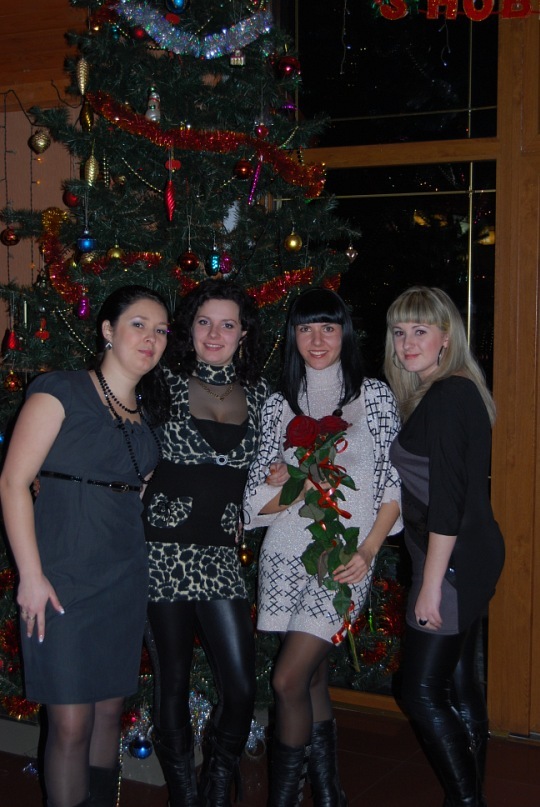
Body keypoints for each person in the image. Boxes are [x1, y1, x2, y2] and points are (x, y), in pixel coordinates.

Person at [0, 285, 170, 807]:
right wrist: (31, 576)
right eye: (139, 324)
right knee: (71, 723)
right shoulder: (61, 390)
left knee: (107, 715)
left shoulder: (146, 416)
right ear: (107, 330)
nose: (151, 338)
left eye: (161, 330)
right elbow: (12, 482)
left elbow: (135, 497)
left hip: (124, 577)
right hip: (63, 575)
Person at [243, 287, 402, 807]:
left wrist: (369, 551)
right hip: (286, 554)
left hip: (347, 559)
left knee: (287, 678)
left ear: (344, 334)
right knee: (309, 679)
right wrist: (295, 482)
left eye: (327, 328)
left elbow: (393, 485)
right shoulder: (278, 406)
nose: (316, 339)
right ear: (293, 335)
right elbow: (254, 505)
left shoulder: (373, 397)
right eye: (306, 328)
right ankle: (329, 793)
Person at [142, 279, 268, 807]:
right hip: (161, 552)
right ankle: (185, 796)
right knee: (171, 681)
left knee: (241, 687)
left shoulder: (260, 395)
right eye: (204, 322)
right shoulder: (160, 382)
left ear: (243, 334)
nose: (215, 334)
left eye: (227, 324)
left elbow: (268, 471)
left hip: (219, 556)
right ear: (188, 328)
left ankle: (216, 786)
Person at [384, 286, 505, 807]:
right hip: (472, 553)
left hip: (451, 563)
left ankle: (467, 800)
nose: (408, 343)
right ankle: (469, 795)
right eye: (399, 332)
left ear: (447, 337)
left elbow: (448, 503)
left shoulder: (448, 397)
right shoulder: (457, 390)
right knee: (459, 684)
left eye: (420, 330)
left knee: (421, 692)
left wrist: (429, 587)